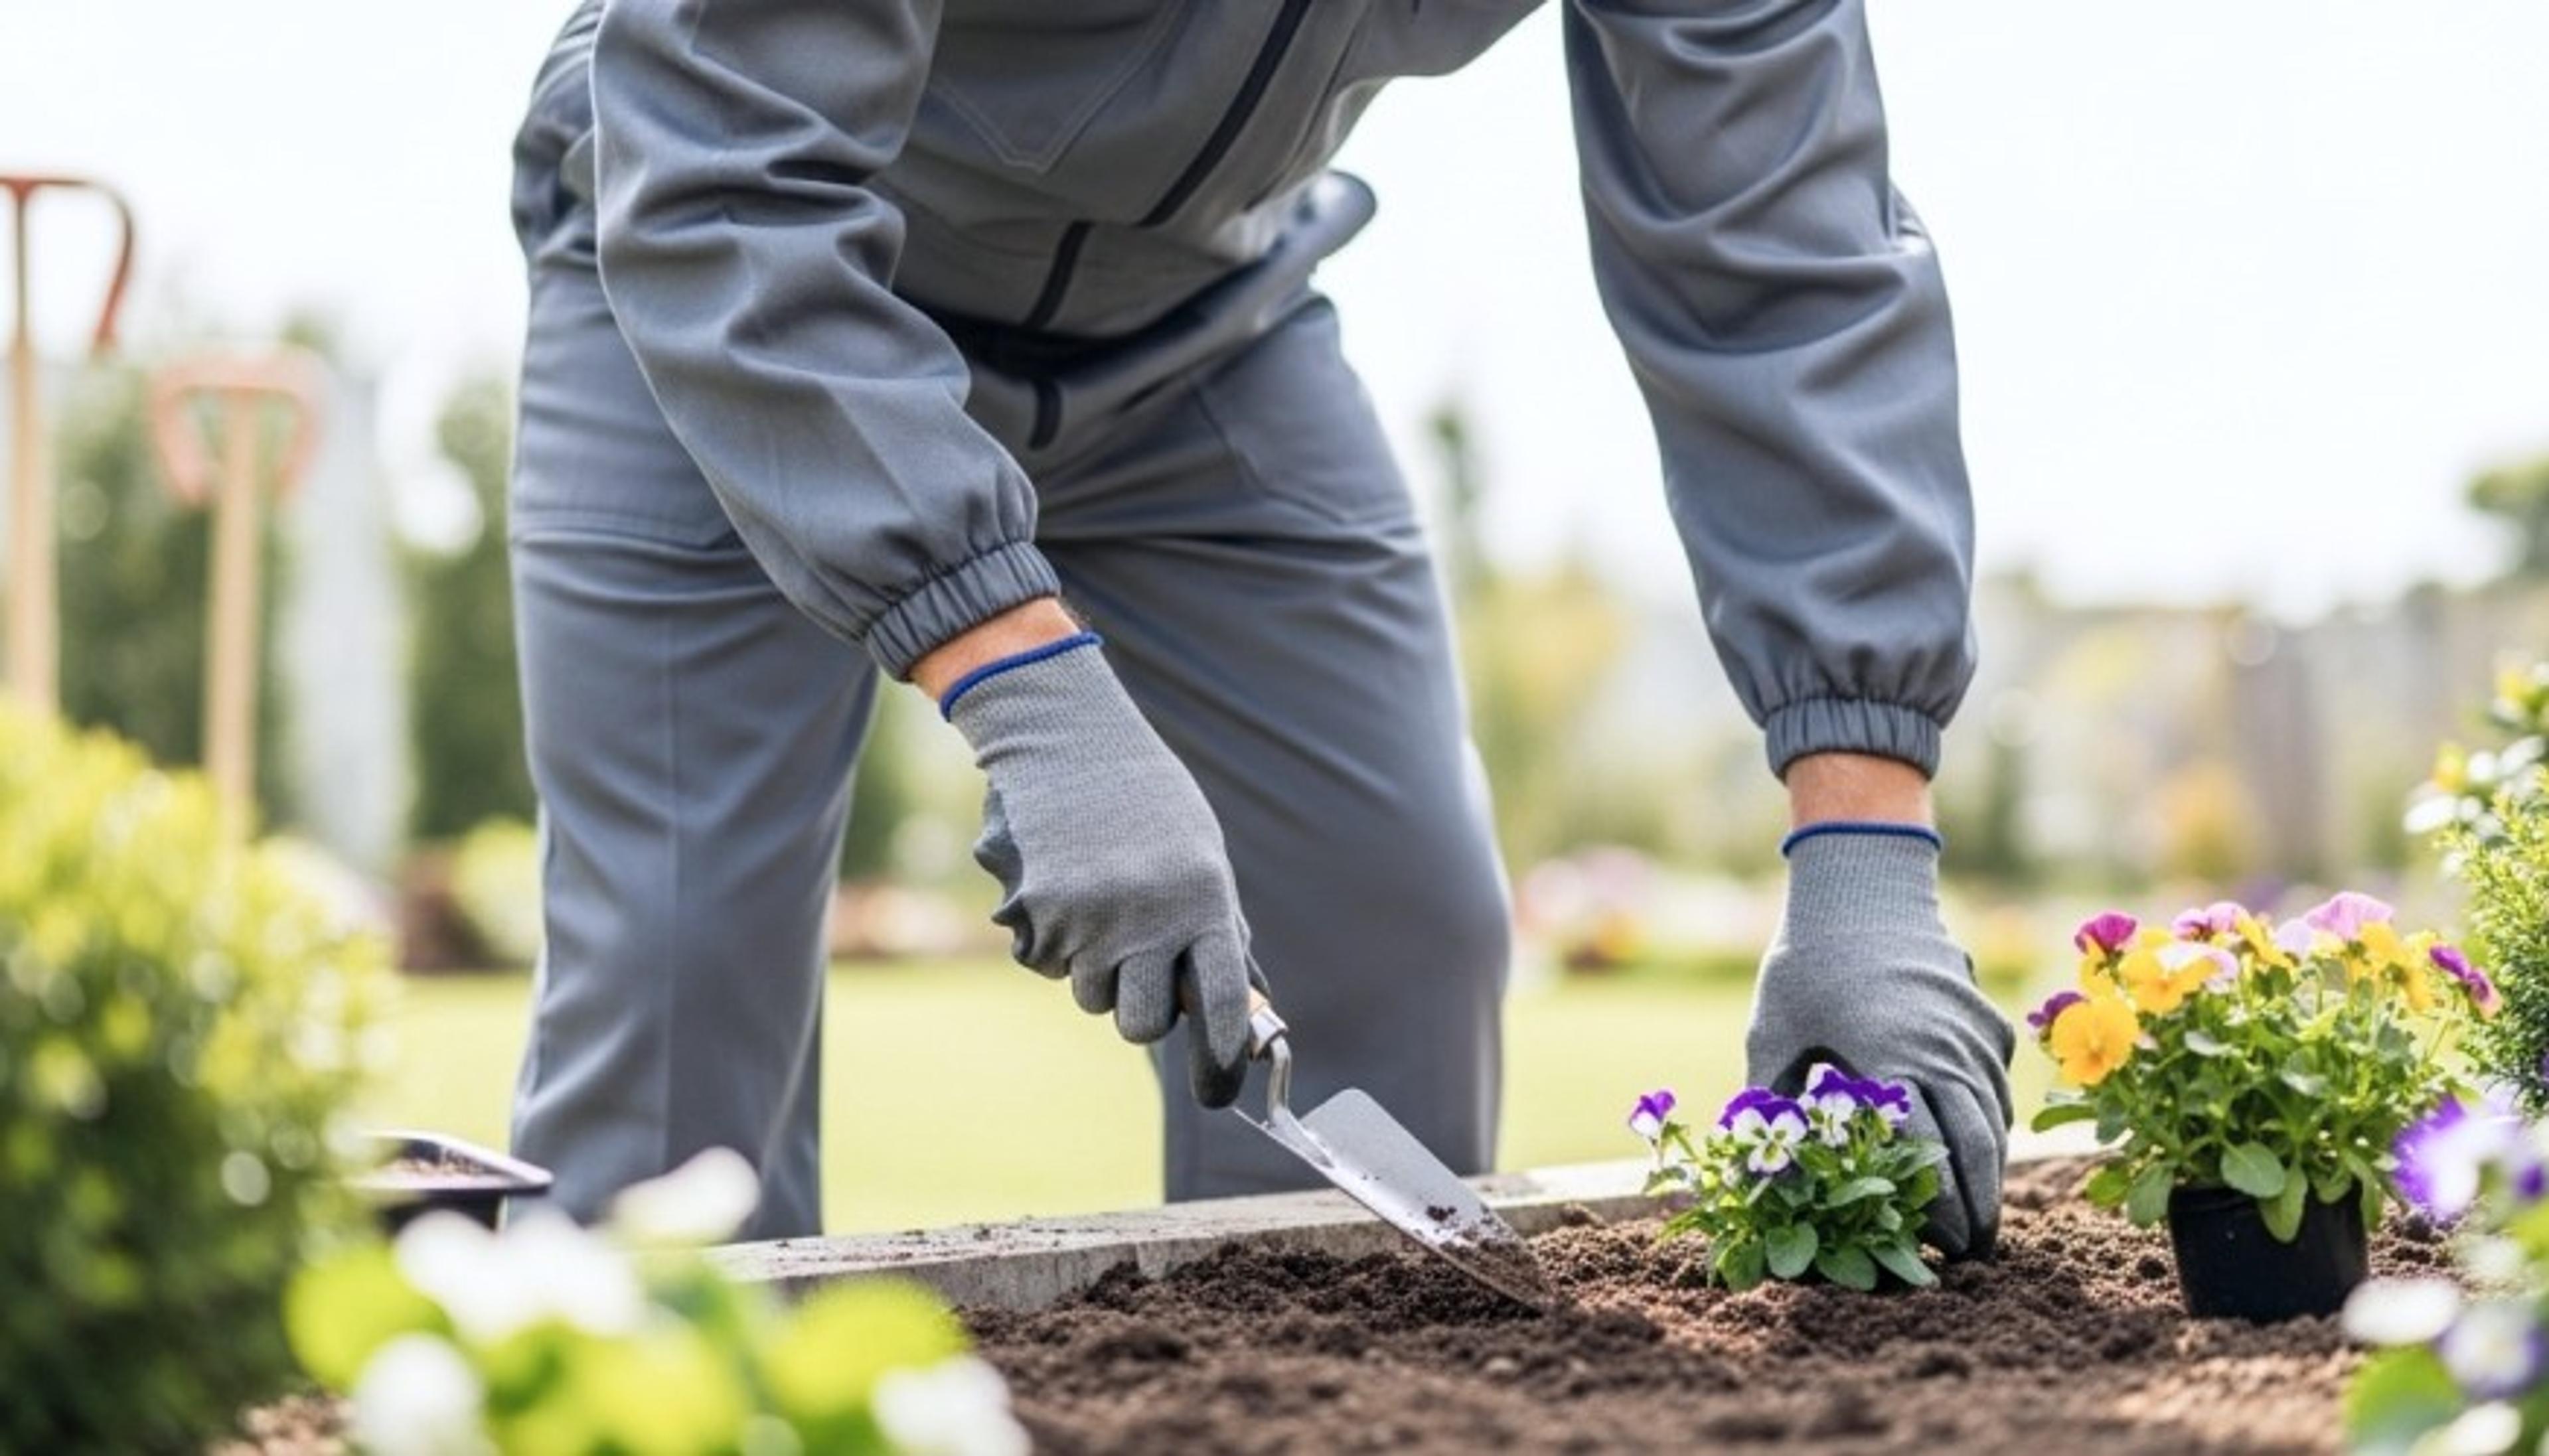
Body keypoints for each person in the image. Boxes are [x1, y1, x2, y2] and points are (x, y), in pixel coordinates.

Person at [502, 0, 2015, 1252]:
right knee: (677, 1014)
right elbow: (727, 168)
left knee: (1397, 924)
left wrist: (1867, 844)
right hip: (731, 276)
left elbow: (1785, 251)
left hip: (1203, 324)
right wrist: (1025, 682)